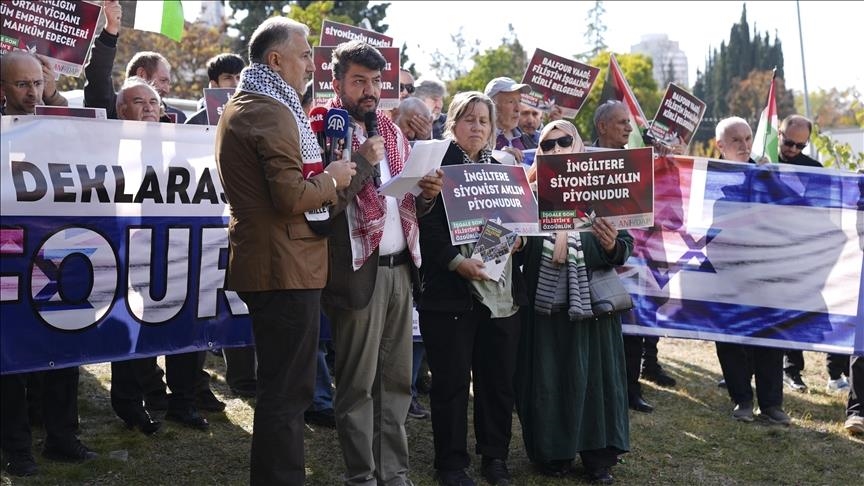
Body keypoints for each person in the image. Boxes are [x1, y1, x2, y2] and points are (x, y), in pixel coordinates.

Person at [214, 17, 357, 485]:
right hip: (284, 267)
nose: (310, 64)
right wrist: (333, 178)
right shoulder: (271, 110)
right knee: (287, 395)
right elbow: (291, 196)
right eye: (302, 55)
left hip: (278, 263)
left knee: (282, 391)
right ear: (275, 60)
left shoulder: (251, 104)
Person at [320, 39, 443, 486]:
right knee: (356, 385)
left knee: (395, 384)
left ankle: (395, 474)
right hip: (357, 272)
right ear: (337, 83)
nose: (369, 90)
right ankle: (362, 477)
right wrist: (361, 162)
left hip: (400, 269)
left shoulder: (390, 131)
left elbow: (404, 205)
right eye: (358, 81)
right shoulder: (324, 127)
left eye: (374, 81)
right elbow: (323, 208)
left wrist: (427, 195)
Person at [417, 91, 526, 486]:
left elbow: (519, 223)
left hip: (500, 297)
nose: (477, 127)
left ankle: (494, 458)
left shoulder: (503, 170)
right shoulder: (436, 167)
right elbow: (424, 227)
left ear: (493, 129)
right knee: (450, 385)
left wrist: (517, 241)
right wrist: (456, 262)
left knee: (497, 384)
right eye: (469, 119)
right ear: (452, 125)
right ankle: (451, 464)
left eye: (484, 121)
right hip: (450, 296)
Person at [517, 120, 631, 483]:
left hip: (592, 306)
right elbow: (509, 249)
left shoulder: (603, 189)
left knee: (597, 378)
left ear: (578, 146)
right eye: (546, 145)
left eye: (564, 141)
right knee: (549, 377)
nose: (555, 150)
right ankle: (554, 453)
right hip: (543, 306)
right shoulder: (527, 194)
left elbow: (623, 247)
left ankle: (599, 456)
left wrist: (611, 243)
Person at [1, 50, 97, 478]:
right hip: (7, 256)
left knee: (63, 345)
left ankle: (62, 437)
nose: (31, 92)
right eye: (22, 84)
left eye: (37, 83)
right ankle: (17, 447)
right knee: (9, 355)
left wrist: (54, 94)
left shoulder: (60, 126)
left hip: (54, 253)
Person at [593, 100, 676, 414]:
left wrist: (665, 165)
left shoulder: (641, 163)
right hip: (594, 256)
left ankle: (631, 391)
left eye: (629, 122)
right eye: (621, 122)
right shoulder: (583, 158)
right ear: (601, 127)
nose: (629, 128)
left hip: (633, 257)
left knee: (632, 326)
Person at [713, 116, 790, 425]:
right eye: (736, 141)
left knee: (769, 338)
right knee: (730, 339)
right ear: (720, 146)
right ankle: (742, 399)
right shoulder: (709, 178)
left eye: (747, 138)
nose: (745, 145)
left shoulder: (768, 174)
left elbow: (791, 214)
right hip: (727, 272)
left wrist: (778, 183)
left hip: (766, 273)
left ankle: (772, 404)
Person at [775, 114, 851, 394]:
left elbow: (827, 211)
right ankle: (784, 370)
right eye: (789, 143)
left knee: (815, 312)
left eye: (800, 146)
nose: (793, 150)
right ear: (778, 133)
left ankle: (820, 372)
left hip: (805, 254)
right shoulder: (761, 161)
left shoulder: (814, 169)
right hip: (770, 254)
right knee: (777, 313)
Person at [84, 1, 185, 122]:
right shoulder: (110, 111)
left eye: (154, 102)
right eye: (138, 101)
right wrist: (111, 29)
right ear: (121, 110)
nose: (149, 108)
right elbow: (98, 75)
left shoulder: (174, 124)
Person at [484, 77, 537, 164]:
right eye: (511, 102)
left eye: (519, 101)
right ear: (491, 106)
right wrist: (498, 157)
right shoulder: (478, 140)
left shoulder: (528, 139)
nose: (518, 108)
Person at [185, 53, 245, 126]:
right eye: (228, 78)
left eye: (238, 77)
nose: (236, 83)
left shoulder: (252, 114)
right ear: (214, 85)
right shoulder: (196, 122)